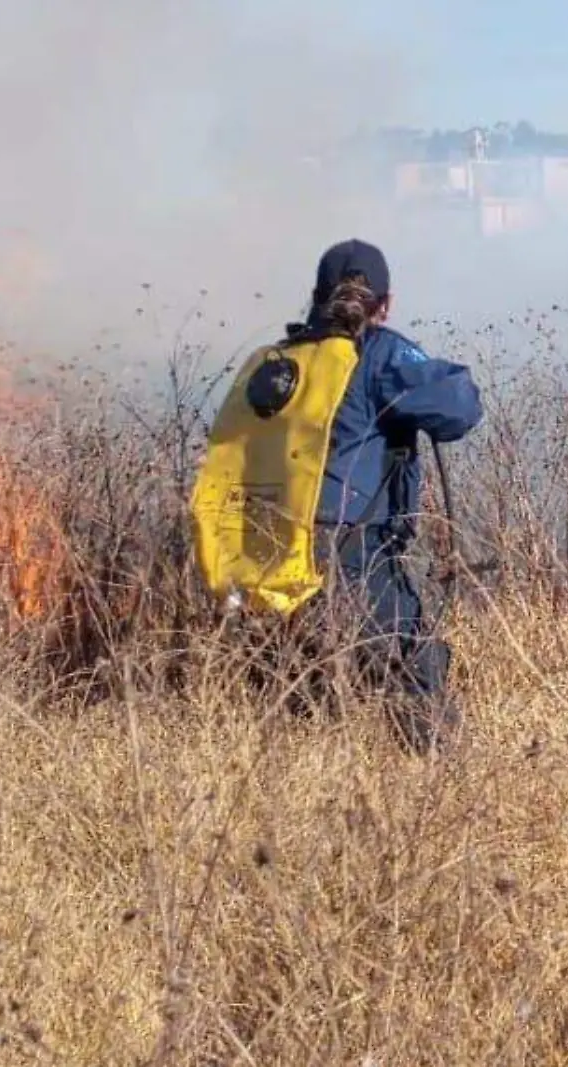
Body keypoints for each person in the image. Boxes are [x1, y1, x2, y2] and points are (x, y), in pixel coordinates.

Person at [192, 239, 483, 752]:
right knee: (409, 660)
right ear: (384, 303)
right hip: (350, 546)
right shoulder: (378, 355)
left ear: (316, 296)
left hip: (271, 541)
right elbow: (457, 411)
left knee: (299, 670)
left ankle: (305, 770)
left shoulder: (278, 361)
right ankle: (440, 780)